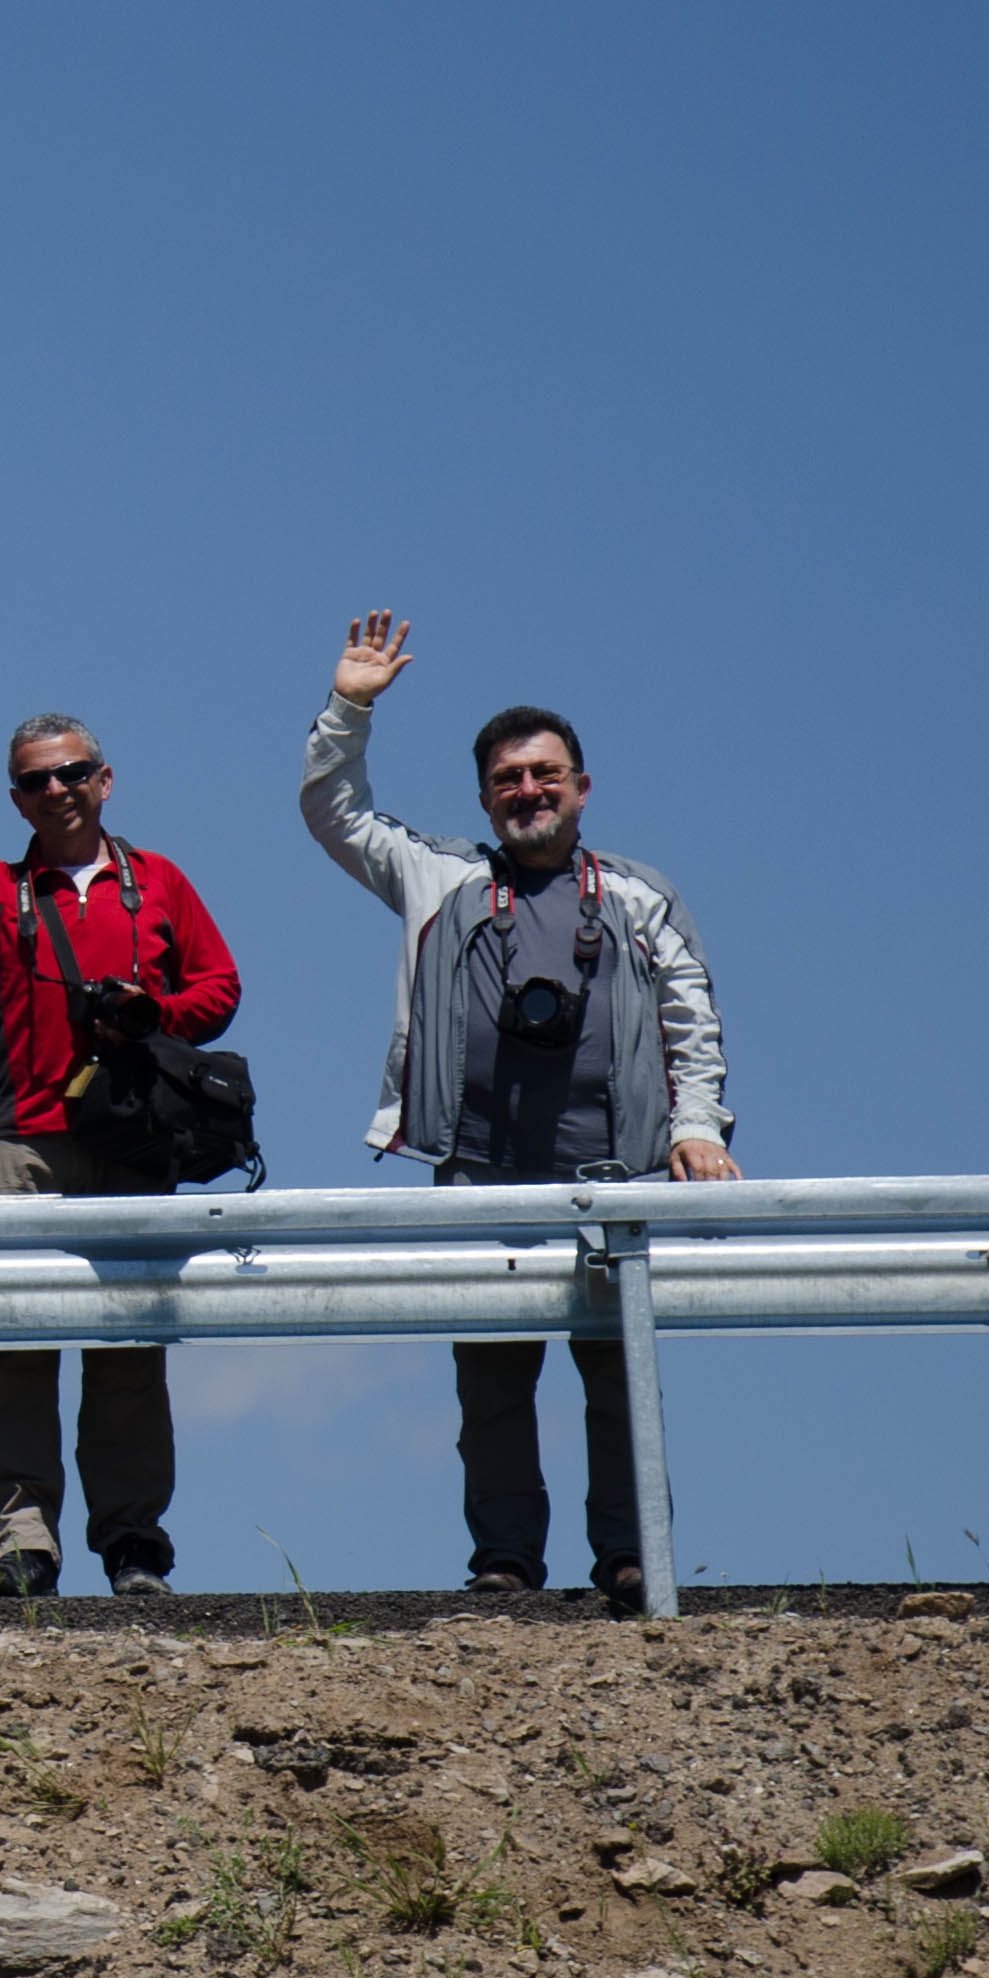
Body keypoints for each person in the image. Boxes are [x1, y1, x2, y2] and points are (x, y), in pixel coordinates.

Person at [302, 612, 739, 1610]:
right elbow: (332, 810)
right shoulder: (445, 877)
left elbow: (691, 1020)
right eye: (507, 780)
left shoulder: (636, 896)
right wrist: (349, 706)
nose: (526, 792)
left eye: (544, 775)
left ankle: (631, 1559)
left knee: (615, 1381)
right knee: (490, 1392)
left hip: (615, 1178)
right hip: (479, 1179)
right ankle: (502, 1565)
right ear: (483, 799)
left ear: (581, 789)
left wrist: (696, 1129)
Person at [0, 652, 242, 1600]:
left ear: (104, 780)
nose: (57, 790)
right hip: (25, 1140)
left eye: (73, 773)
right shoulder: (1, 891)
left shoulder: (157, 881)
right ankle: (22, 1545)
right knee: (13, 1345)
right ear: (15, 799)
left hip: (132, 1140)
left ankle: (132, 1544)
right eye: (36, 780)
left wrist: (152, 1013)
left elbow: (220, 988)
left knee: (128, 1348)